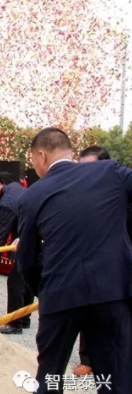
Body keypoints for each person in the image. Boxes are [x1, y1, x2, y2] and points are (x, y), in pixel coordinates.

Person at [16, 128, 132, 394]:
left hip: (60, 296)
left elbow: (26, 260)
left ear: (41, 155)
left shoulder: (33, 195)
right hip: (110, 293)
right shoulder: (109, 173)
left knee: (49, 377)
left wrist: (45, 291)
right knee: (116, 379)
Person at [73, 145, 132, 377]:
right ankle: (88, 358)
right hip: (97, 264)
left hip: (124, 260)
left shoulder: (122, 188)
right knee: (90, 310)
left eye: (91, 168)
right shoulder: (83, 196)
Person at [0, 171, 34, 334]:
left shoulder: (6, 204)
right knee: (27, 280)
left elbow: (2, 234)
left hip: (26, 242)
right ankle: (24, 318)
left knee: (15, 282)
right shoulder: (14, 186)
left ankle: (15, 324)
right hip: (33, 237)